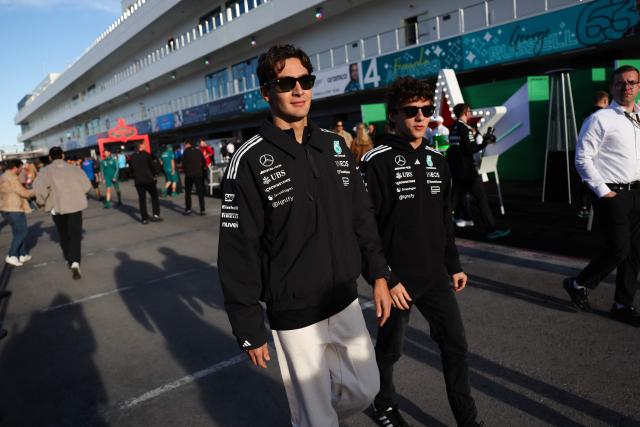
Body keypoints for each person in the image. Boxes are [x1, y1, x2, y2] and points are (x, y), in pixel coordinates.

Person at [217, 44, 393, 427]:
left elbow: (361, 215)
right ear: (266, 92)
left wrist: (379, 274)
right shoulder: (247, 159)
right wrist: (249, 327)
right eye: (286, 83)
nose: (298, 90)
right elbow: (237, 250)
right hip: (293, 314)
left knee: (366, 388)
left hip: (344, 300)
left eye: (305, 80)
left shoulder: (333, 144)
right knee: (317, 416)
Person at [360, 77, 484, 427]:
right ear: (393, 116)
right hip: (397, 282)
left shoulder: (437, 160)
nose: (420, 117)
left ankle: (467, 420)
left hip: (435, 277)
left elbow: (444, 220)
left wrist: (454, 265)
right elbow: (364, 229)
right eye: (411, 111)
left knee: (456, 347)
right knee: (390, 349)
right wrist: (385, 277)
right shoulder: (376, 160)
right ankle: (383, 405)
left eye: (426, 110)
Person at [565, 65, 640, 325]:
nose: (627, 87)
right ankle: (579, 283)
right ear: (612, 87)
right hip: (613, 193)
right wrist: (603, 190)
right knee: (619, 250)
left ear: (638, 87)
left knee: (635, 252)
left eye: (632, 82)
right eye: (621, 83)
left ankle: (622, 304)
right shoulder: (599, 119)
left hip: (637, 192)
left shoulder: (639, 116)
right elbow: (582, 158)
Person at [447, 103, 510, 239]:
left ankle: (435, 227)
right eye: (469, 111)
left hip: (456, 170)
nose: (470, 113)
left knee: (452, 201)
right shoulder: (465, 128)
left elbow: (455, 148)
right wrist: (485, 142)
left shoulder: (453, 128)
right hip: (468, 172)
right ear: (464, 112)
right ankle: (491, 229)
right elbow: (471, 149)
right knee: (481, 199)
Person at [33, 147, 91, 280]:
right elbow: (87, 186)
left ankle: (69, 260)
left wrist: (41, 202)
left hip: (57, 207)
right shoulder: (74, 168)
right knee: (76, 234)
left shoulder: (45, 170)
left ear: (50, 158)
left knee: (64, 234)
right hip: (75, 205)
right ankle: (76, 261)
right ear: (63, 155)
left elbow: (39, 189)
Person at [577, 91, 610, 219]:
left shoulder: (586, 114)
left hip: (586, 153)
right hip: (600, 158)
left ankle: (583, 208)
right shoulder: (605, 115)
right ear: (606, 101)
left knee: (586, 182)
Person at [0, 159, 34, 267]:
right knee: (22, 232)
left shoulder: (4, 176)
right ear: (16, 167)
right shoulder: (12, 177)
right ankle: (12, 255)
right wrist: (35, 192)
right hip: (14, 208)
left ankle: (22, 254)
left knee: (17, 232)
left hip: (6, 208)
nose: (21, 169)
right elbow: (22, 192)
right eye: (21, 167)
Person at [128, 142, 162, 224]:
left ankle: (144, 218)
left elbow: (130, 170)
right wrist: (155, 174)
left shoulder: (132, 157)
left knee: (142, 199)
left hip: (138, 181)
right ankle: (156, 214)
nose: (145, 146)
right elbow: (152, 167)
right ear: (140, 146)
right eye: (143, 145)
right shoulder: (147, 155)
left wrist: (134, 176)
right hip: (149, 179)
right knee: (154, 196)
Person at [181, 140, 206, 215]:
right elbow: (203, 162)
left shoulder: (185, 152)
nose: (184, 146)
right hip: (198, 174)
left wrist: (186, 171)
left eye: (185, 144)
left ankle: (188, 209)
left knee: (188, 193)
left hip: (189, 175)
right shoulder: (198, 151)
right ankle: (202, 210)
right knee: (200, 192)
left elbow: (183, 164)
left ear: (188, 144)